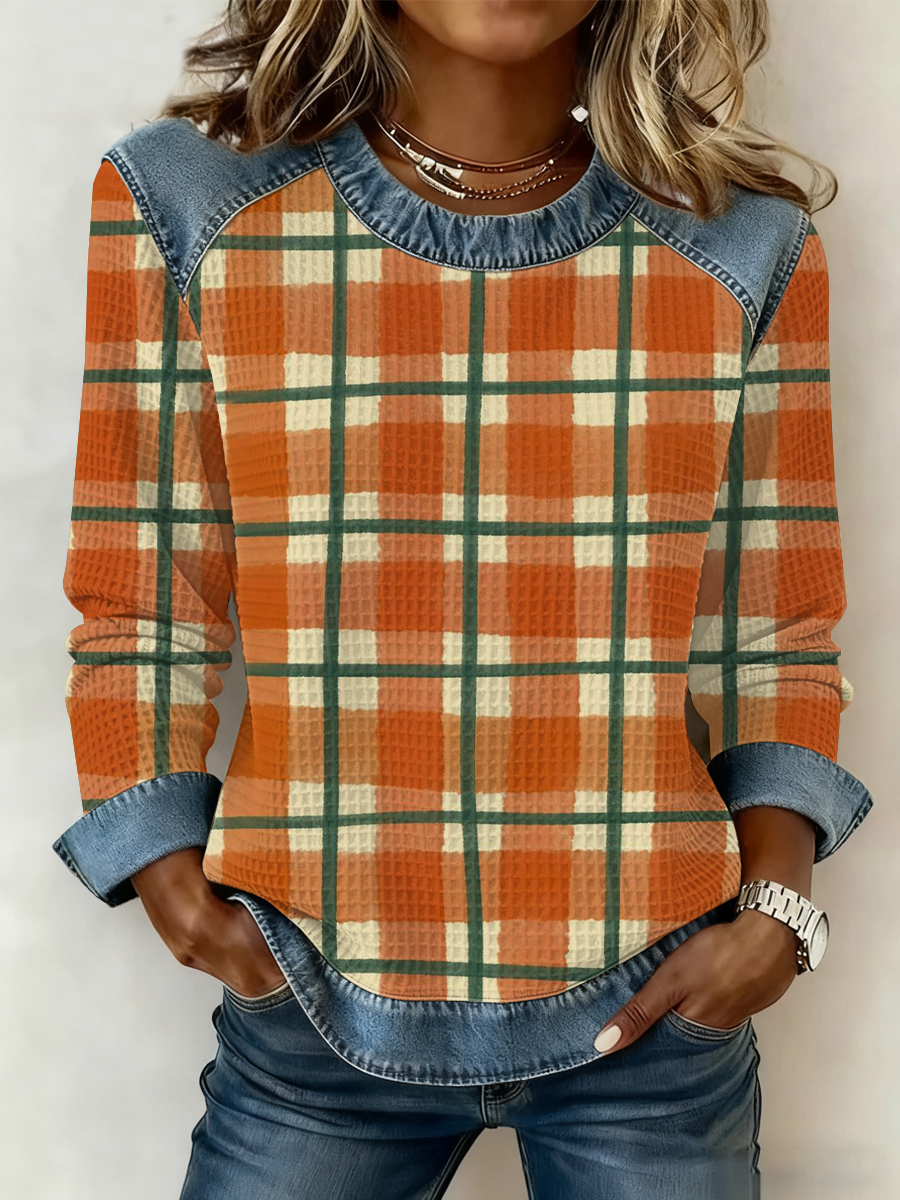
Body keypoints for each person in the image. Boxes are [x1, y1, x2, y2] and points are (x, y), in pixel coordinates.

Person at [52, 1, 874, 1196]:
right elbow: (142, 599)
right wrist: (168, 876)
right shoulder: (190, 206)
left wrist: (774, 917)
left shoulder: (742, 244)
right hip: (308, 1005)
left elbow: (777, 630)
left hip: (658, 1013)